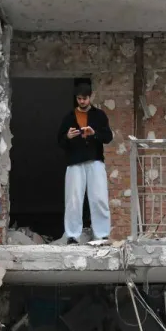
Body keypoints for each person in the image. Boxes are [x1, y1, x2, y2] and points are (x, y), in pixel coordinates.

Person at [57, 78, 113, 244]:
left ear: (91, 97)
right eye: (79, 99)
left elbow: (108, 137)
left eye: (85, 98)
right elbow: (59, 141)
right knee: (73, 199)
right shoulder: (68, 117)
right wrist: (68, 136)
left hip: (95, 161)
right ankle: (72, 235)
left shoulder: (100, 115)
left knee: (99, 198)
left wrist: (94, 133)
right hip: (74, 162)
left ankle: (102, 234)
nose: (82, 101)